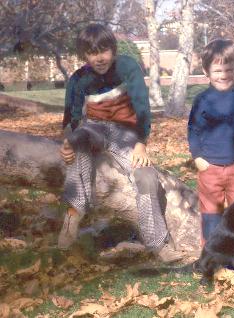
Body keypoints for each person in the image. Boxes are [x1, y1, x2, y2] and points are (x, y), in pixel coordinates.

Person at [58, 23, 183, 263]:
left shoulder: (127, 67)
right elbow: (71, 118)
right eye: (92, 52)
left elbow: (143, 108)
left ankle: (158, 243)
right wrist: (67, 143)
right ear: (84, 55)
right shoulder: (78, 79)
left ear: (113, 50)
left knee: (146, 176)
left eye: (104, 50)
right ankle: (73, 214)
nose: (99, 58)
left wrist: (141, 143)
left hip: (126, 133)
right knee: (78, 139)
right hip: (93, 128)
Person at [187, 38, 234, 245]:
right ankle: (211, 257)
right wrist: (198, 157)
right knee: (211, 215)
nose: (224, 76)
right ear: (206, 71)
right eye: (218, 71)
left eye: (229, 70)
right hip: (209, 167)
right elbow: (193, 130)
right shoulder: (202, 100)